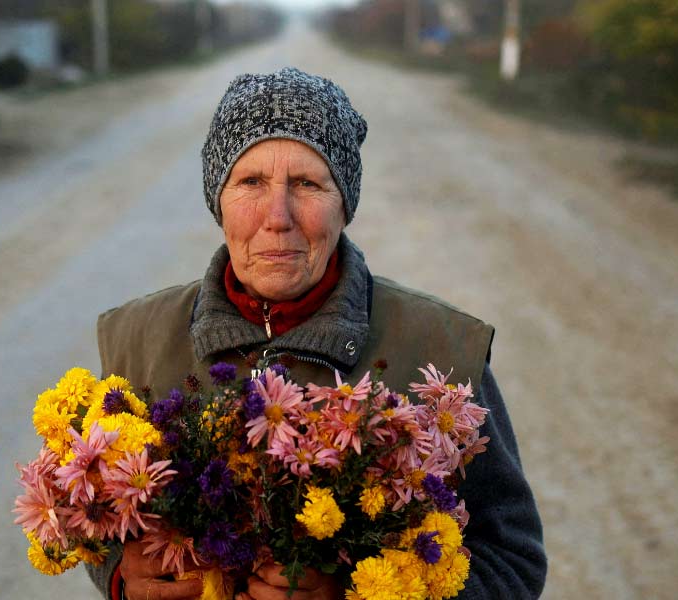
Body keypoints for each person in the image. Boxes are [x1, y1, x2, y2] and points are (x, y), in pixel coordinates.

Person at [87, 67, 546, 600]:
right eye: (250, 182)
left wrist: (362, 593)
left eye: (307, 184)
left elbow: (512, 560)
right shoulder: (136, 340)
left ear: (344, 204)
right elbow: (94, 524)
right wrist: (122, 578)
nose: (277, 217)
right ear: (218, 200)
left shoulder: (443, 350)